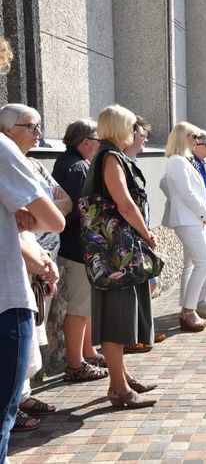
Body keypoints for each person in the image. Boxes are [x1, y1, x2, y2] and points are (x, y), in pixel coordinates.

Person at [1, 104, 74, 431]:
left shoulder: (33, 164)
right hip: (9, 287)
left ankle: (22, 396)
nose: (38, 133)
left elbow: (65, 203)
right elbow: (54, 218)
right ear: (7, 129)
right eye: (30, 126)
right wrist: (25, 218)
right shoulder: (4, 153)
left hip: (31, 262)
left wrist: (21, 219)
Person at [81, 104, 158, 408]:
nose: (136, 131)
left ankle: (123, 376)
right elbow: (124, 204)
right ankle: (118, 388)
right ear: (120, 127)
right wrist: (148, 235)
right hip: (116, 253)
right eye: (131, 125)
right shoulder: (110, 156)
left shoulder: (109, 155)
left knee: (121, 313)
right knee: (115, 317)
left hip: (116, 250)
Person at [52, 119, 112, 383]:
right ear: (86, 141)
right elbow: (79, 210)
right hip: (78, 247)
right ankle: (76, 364)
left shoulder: (71, 162)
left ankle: (87, 351)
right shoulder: (76, 167)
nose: (99, 145)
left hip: (76, 245)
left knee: (85, 305)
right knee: (79, 306)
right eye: (97, 140)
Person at [160, 122, 206, 332]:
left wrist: (203, 211)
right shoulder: (176, 162)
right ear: (185, 138)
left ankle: (187, 310)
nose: (197, 141)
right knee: (204, 263)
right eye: (194, 137)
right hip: (189, 220)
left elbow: (187, 191)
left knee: (192, 266)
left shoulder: (182, 160)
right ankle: (189, 310)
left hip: (192, 218)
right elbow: (187, 192)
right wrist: (205, 212)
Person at [122, 116, 166, 351]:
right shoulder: (117, 162)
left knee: (150, 283)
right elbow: (126, 206)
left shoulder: (131, 162)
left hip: (141, 234)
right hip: (133, 237)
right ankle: (133, 335)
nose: (146, 138)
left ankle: (141, 330)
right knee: (142, 284)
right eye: (141, 135)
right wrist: (146, 233)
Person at [188, 129, 206, 318]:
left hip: (204, 218)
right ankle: (196, 304)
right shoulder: (189, 164)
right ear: (195, 145)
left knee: (201, 264)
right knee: (201, 264)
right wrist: (203, 213)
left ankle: (200, 300)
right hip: (197, 219)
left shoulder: (200, 163)